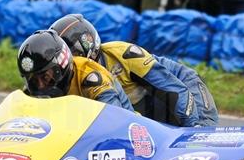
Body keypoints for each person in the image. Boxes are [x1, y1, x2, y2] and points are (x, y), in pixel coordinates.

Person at [50, 14, 220, 127]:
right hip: (147, 110)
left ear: (86, 46)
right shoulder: (65, 79)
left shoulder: (123, 54)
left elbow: (173, 89)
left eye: (70, 54)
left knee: (199, 134)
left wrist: (193, 128)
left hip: (184, 86)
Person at [17, 30, 135, 111]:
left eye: (45, 77)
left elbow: (114, 117)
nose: (41, 86)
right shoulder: (31, 90)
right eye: (34, 80)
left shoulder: (91, 77)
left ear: (61, 66)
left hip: (129, 133)